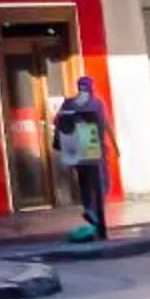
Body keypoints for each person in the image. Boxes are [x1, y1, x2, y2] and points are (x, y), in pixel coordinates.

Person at [53, 75, 113, 242]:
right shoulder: (96, 104)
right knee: (100, 183)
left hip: (78, 153)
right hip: (94, 151)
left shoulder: (69, 103)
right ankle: (95, 214)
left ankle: (91, 210)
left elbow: (59, 122)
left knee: (85, 182)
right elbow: (103, 125)